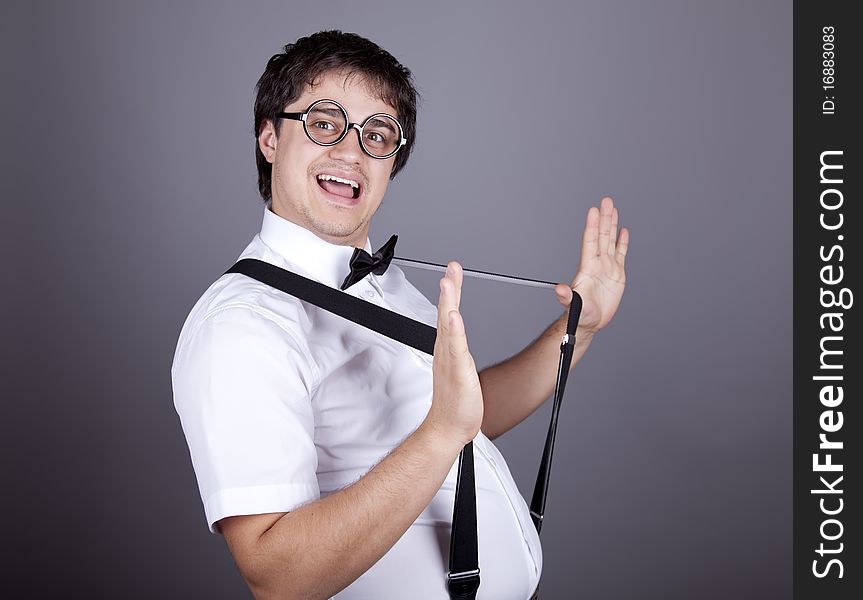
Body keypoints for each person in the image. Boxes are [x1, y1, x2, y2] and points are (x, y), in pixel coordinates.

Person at [172, 30, 629, 600]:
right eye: (323, 123)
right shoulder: (241, 324)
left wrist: (576, 330)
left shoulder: (382, 280)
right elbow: (276, 575)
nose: (351, 150)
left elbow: (461, 421)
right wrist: (441, 434)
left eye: (377, 133)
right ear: (270, 137)